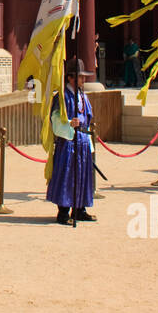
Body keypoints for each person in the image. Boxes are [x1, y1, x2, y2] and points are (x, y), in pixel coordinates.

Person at [47, 59, 95, 224]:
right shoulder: (62, 97)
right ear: (70, 78)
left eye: (83, 77)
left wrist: (88, 139)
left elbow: (87, 118)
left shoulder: (82, 95)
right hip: (69, 142)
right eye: (80, 77)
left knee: (82, 175)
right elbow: (54, 119)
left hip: (82, 141)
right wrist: (69, 124)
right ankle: (64, 212)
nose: (83, 80)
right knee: (68, 175)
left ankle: (80, 209)